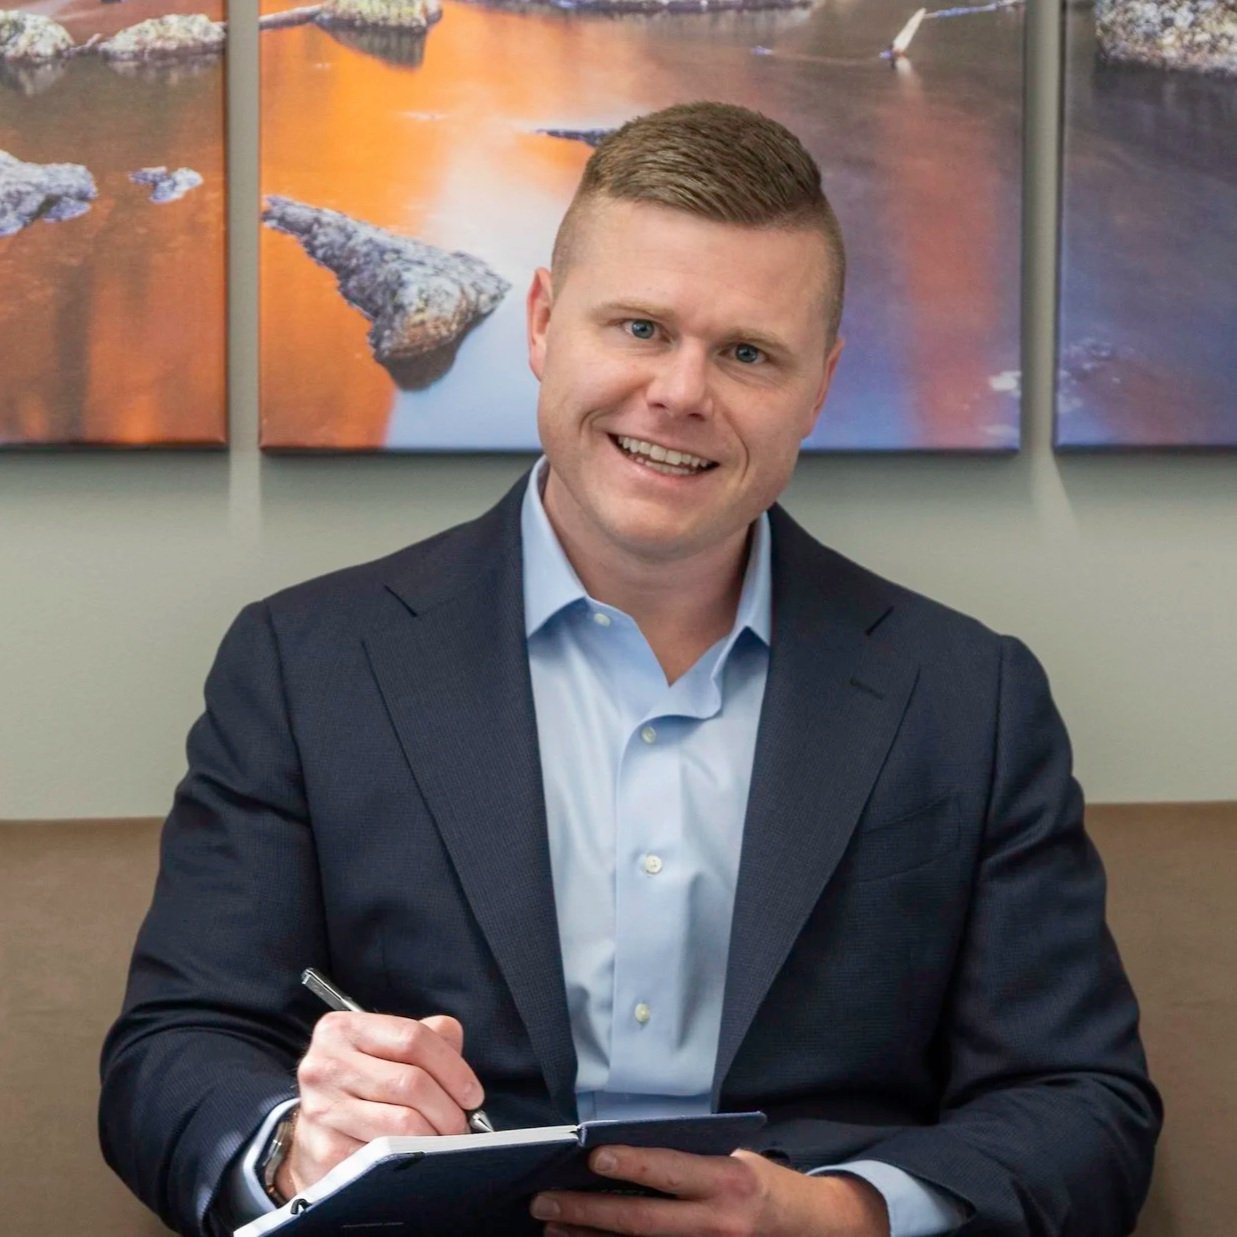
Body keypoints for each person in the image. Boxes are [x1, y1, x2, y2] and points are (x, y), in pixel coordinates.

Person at [100, 102, 1160, 1237]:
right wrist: (293, 1143)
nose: (680, 394)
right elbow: (173, 1051)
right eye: (641, 328)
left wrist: (840, 1216)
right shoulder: (304, 664)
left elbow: (1079, 1101)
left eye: (747, 352)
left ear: (817, 387)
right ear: (545, 323)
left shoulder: (970, 698)